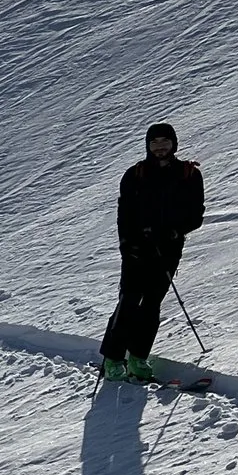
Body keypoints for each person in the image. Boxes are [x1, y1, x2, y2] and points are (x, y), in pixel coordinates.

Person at [98, 121, 204, 381]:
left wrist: (174, 232)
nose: (160, 147)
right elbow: (124, 215)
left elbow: (196, 214)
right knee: (129, 301)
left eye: (164, 141)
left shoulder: (189, 174)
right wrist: (127, 245)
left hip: (168, 250)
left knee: (152, 304)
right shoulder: (135, 174)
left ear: (174, 144)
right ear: (147, 146)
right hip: (137, 249)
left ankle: (138, 358)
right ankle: (113, 359)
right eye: (154, 142)